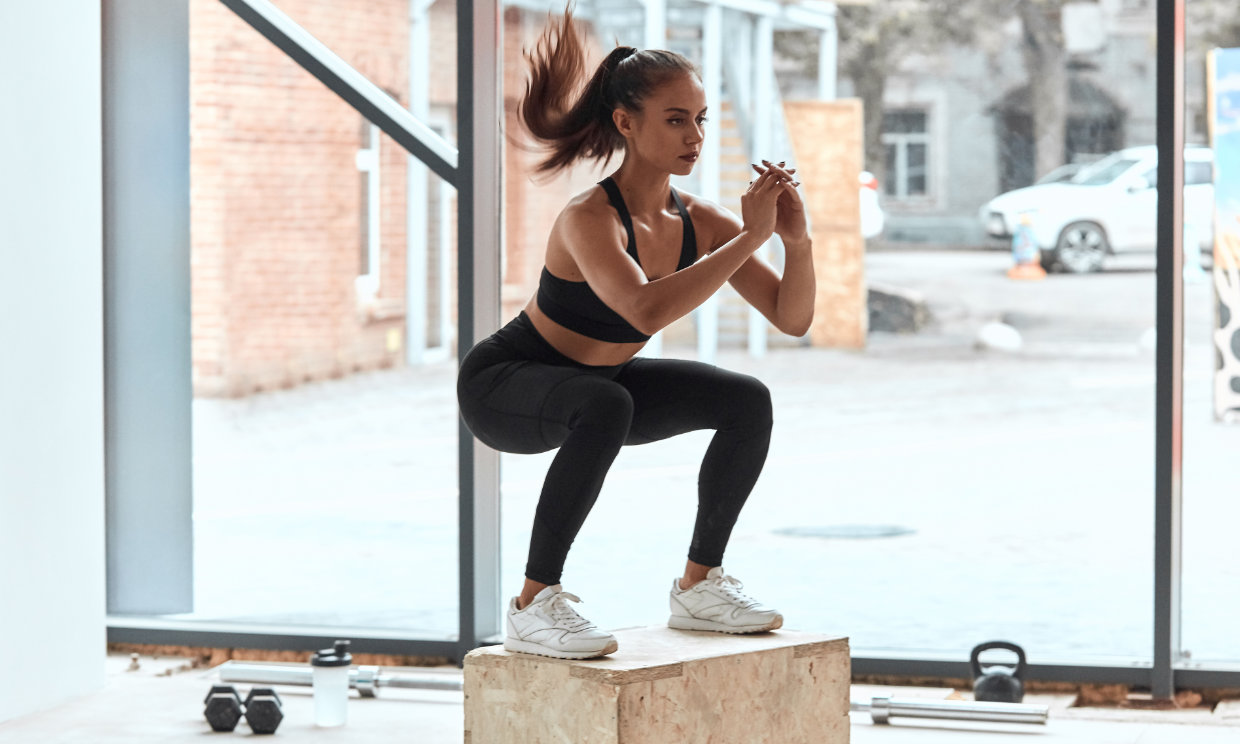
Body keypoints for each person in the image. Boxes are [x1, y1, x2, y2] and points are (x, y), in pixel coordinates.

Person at [456, 8, 814, 660]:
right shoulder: (590, 217)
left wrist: (797, 241)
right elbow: (642, 312)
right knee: (606, 402)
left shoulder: (696, 220)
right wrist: (752, 238)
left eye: (700, 118)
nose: (695, 135)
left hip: (597, 385)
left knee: (746, 400)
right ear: (626, 123)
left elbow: (792, 318)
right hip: (506, 385)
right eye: (676, 119)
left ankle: (699, 588)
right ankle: (534, 605)